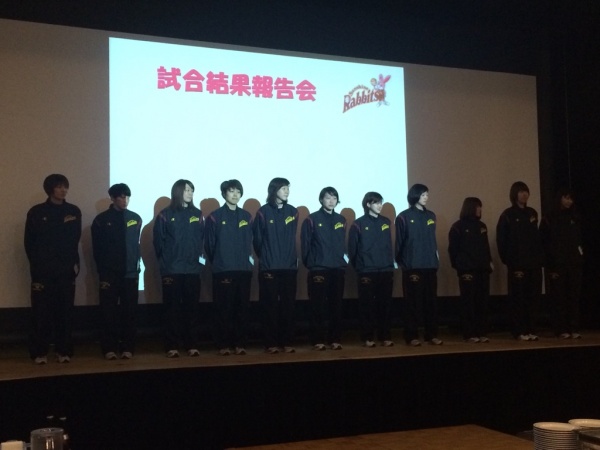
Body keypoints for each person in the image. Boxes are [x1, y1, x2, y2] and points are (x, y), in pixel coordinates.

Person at [25, 174, 82, 364]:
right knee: (41, 313)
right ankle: (39, 352)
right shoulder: (36, 212)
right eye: (59, 187)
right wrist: (37, 265)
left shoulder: (73, 211)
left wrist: (73, 264)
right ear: (50, 189)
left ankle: (63, 350)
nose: (63, 190)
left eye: (65, 186)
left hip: (65, 271)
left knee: (65, 312)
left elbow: (74, 240)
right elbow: (29, 243)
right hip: (43, 272)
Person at [153, 179, 204, 358]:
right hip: (172, 269)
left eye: (192, 190)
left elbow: (202, 239)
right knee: (172, 310)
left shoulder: (197, 214)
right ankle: (172, 346)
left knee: (192, 309)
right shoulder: (165, 215)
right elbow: (158, 243)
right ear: (178, 191)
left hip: (192, 270)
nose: (190, 193)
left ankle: (191, 345)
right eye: (187, 190)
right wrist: (167, 262)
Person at [91, 183, 142, 360]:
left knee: (130, 312)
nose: (125, 200)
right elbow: (96, 249)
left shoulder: (135, 218)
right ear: (113, 198)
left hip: (130, 273)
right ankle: (109, 348)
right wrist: (103, 270)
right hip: (109, 274)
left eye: (127, 196)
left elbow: (136, 245)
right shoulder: (101, 220)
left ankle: (128, 347)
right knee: (108, 312)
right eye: (121, 196)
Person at [205, 180, 253, 356]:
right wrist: (220, 260)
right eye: (231, 191)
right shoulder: (215, 216)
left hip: (244, 270)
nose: (235, 195)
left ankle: (240, 344)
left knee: (242, 310)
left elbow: (253, 241)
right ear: (224, 194)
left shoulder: (247, 216)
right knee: (223, 309)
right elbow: (210, 245)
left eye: (238, 191)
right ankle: (223, 344)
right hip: (223, 269)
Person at [253, 178, 299, 354]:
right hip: (269, 267)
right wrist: (267, 256)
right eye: (283, 188)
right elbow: (258, 241)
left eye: (288, 188)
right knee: (269, 307)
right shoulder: (263, 212)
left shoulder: (293, 212)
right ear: (274, 190)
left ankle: (287, 342)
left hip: (289, 267)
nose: (287, 191)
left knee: (288, 307)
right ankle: (270, 343)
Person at [301, 187, 347, 350]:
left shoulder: (341, 219)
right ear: (321, 200)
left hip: (337, 269)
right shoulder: (311, 219)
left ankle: (335, 339)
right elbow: (305, 245)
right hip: (319, 269)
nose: (331, 201)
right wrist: (312, 264)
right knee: (317, 307)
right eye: (328, 198)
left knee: (336, 306)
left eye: (334, 198)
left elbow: (342, 244)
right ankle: (317, 340)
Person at [395, 183, 442, 346]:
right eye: (423, 195)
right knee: (412, 303)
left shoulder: (431, 216)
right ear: (415, 195)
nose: (426, 198)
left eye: (427, 194)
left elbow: (432, 240)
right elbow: (399, 242)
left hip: (430, 265)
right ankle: (411, 336)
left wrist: (435, 259)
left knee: (431, 302)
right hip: (412, 266)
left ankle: (431, 335)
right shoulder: (403, 217)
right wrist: (403, 262)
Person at [496, 181, 543, 341]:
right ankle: (519, 330)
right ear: (514, 194)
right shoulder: (507, 215)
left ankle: (531, 329)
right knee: (518, 298)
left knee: (533, 297)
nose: (524, 195)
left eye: (526, 192)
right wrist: (509, 260)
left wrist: (539, 258)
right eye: (521, 192)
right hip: (517, 264)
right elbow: (501, 240)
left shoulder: (532, 213)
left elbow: (537, 238)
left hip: (534, 263)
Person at [348, 192, 395, 348]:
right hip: (366, 270)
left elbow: (388, 246)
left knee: (385, 305)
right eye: (376, 203)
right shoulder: (358, 224)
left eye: (381, 202)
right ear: (368, 204)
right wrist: (360, 266)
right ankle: (367, 337)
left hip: (385, 270)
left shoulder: (386, 222)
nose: (380, 206)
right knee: (367, 306)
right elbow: (353, 249)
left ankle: (385, 336)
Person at [539, 188, 583, 339]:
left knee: (573, 296)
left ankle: (574, 327)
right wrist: (549, 264)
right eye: (566, 197)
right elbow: (544, 242)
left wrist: (579, 256)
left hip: (574, 263)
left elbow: (579, 239)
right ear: (559, 198)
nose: (569, 201)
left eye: (571, 198)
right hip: (557, 264)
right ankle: (561, 328)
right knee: (559, 297)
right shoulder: (549, 217)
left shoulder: (575, 217)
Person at [448, 197, 493, 343]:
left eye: (480, 207)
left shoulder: (482, 226)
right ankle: (469, 333)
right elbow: (453, 249)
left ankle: (482, 331)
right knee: (469, 302)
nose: (480, 209)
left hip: (483, 269)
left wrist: (489, 262)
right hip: (467, 270)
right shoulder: (458, 227)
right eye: (477, 207)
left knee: (482, 302)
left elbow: (486, 247)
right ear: (470, 208)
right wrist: (459, 266)